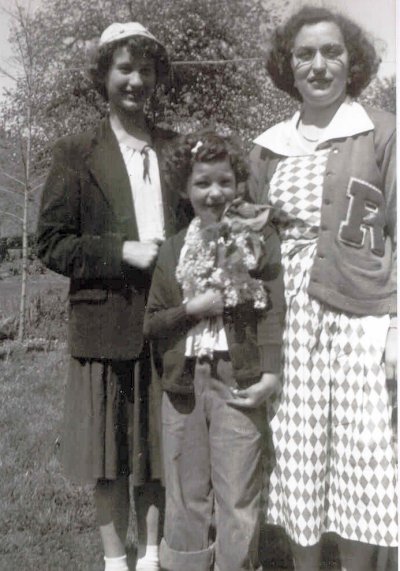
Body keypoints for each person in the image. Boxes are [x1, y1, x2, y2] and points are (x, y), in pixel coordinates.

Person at [248, 6, 397, 571]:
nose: (318, 65)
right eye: (305, 54)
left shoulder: (380, 131)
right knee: (299, 449)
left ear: (351, 61)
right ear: (288, 65)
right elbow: (255, 239)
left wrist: (396, 327)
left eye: (331, 52)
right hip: (291, 318)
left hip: (362, 315)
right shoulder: (269, 146)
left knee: (361, 452)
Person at [37, 22, 187, 571]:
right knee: (109, 457)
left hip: (165, 321)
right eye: (125, 69)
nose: (136, 81)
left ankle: (151, 556)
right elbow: (52, 243)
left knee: (155, 453)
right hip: (103, 326)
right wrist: (120, 251)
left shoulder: (175, 149)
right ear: (103, 76)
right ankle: (114, 560)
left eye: (146, 70)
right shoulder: (76, 152)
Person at [143, 131, 285, 571]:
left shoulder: (255, 240)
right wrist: (192, 309)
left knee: (237, 491)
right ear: (185, 189)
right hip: (183, 385)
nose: (214, 192)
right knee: (186, 492)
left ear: (238, 184)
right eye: (202, 182)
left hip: (236, 379)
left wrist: (270, 372)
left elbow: (272, 309)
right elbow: (152, 323)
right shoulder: (173, 249)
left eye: (225, 181)